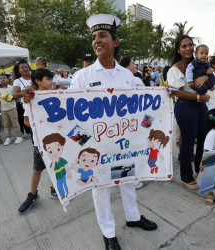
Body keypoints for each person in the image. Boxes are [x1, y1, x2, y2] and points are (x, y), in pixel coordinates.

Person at [70, 14, 157, 250]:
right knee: (101, 189)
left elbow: (143, 108)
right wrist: (87, 144)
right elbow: (69, 116)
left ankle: (133, 218)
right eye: (94, 37)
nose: (97, 41)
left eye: (103, 36)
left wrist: (164, 99)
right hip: (97, 148)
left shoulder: (127, 76)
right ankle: (108, 233)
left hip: (123, 145)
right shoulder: (82, 77)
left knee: (128, 180)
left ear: (115, 42)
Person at [167, 35, 210, 190]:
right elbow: (177, 93)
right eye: (184, 46)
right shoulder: (174, 69)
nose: (188, 48)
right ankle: (186, 176)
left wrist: (205, 77)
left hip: (201, 106)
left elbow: (211, 79)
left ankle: (199, 169)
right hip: (185, 107)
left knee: (204, 138)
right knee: (188, 141)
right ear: (178, 50)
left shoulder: (199, 64)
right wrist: (200, 96)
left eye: (190, 45)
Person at [18, 68, 57, 214]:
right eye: (47, 79)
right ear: (38, 81)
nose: (51, 82)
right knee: (37, 170)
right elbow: (26, 121)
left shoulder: (58, 95)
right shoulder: (32, 98)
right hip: (40, 142)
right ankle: (32, 195)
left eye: (51, 78)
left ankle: (55, 189)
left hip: (56, 140)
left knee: (56, 164)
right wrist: (41, 125)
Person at [0, 73, 23, 146]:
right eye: (1, 78)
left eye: (4, 78)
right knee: (6, 125)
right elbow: (0, 100)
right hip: (3, 109)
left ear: (8, 79)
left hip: (12, 108)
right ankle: (8, 137)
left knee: (15, 123)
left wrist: (10, 98)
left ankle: (19, 136)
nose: (2, 80)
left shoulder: (12, 88)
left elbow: (16, 97)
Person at [13, 59, 32, 138]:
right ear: (19, 71)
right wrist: (23, 93)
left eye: (26, 67)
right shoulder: (17, 81)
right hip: (28, 107)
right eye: (22, 68)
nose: (25, 69)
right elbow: (15, 95)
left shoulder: (35, 77)